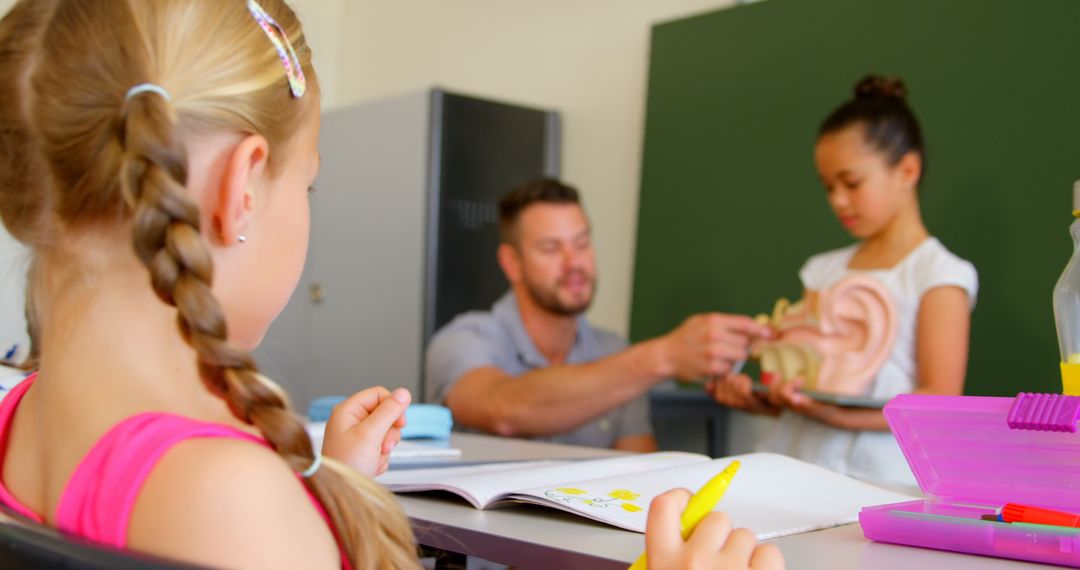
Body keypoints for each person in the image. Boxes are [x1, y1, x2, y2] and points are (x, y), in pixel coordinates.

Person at [0, 1, 781, 568]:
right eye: (308, 187)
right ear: (241, 189)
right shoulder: (221, 498)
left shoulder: (19, 413)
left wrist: (329, 485)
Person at [709, 75, 978, 486]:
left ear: (907, 169)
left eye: (852, 183)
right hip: (800, 467)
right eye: (828, 187)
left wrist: (839, 415)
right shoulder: (823, 271)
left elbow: (938, 400)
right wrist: (764, 397)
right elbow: (806, 382)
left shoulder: (938, 275)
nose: (837, 200)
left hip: (881, 479)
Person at [426, 179, 772, 452]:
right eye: (551, 248)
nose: (574, 262)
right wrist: (664, 356)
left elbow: (639, 476)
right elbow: (502, 409)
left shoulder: (615, 351)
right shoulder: (463, 339)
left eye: (581, 243)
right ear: (511, 263)